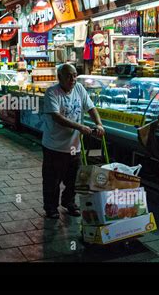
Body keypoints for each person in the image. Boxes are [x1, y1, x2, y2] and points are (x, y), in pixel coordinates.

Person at [42, 63, 105, 219]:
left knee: (74, 179)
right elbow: (57, 117)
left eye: (75, 75)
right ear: (60, 77)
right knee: (52, 180)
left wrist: (98, 123)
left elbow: (91, 108)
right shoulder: (52, 93)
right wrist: (80, 127)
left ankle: (69, 202)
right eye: (69, 76)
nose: (73, 79)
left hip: (74, 146)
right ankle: (51, 207)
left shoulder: (79, 89)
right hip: (54, 146)